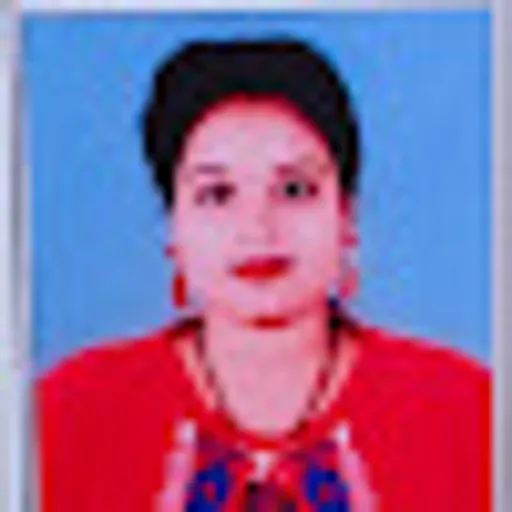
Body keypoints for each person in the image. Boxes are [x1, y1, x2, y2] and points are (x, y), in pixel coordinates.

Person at [36, 38, 491, 511]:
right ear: (173, 229)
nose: (257, 228)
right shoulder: (67, 412)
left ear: (347, 217)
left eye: (294, 190)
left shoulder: (470, 411)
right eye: (217, 194)